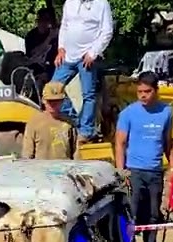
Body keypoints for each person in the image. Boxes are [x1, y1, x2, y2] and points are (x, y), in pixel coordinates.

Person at [114, 72, 173, 242]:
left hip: (155, 171)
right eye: (139, 91)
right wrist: (121, 171)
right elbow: (120, 143)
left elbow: (167, 142)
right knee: (131, 212)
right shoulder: (128, 113)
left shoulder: (166, 112)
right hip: (134, 171)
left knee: (153, 213)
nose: (143, 95)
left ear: (156, 90)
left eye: (147, 91)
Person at [53, 0, 113, 142]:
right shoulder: (69, 2)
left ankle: (86, 130)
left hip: (87, 56)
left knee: (88, 94)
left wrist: (93, 52)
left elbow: (107, 31)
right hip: (68, 55)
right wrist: (61, 48)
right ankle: (74, 119)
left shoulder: (101, 3)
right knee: (53, 88)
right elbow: (64, 26)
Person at [22, 81, 77, 160]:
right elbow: (27, 155)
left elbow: (75, 153)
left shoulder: (69, 123)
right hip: (41, 170)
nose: (53, 104)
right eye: (49, 101)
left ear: (62, 101)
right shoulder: (34, 123)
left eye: (57, 101)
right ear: (43, 100)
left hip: (64, 169)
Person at [23, 8, 60, 80]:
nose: (44, 23)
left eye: (47, 20)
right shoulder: (31, 36)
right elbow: (34, 54)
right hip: (34, 66)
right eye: (42, 20)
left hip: (51, 68)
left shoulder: (55, 35)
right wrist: (48, 39)